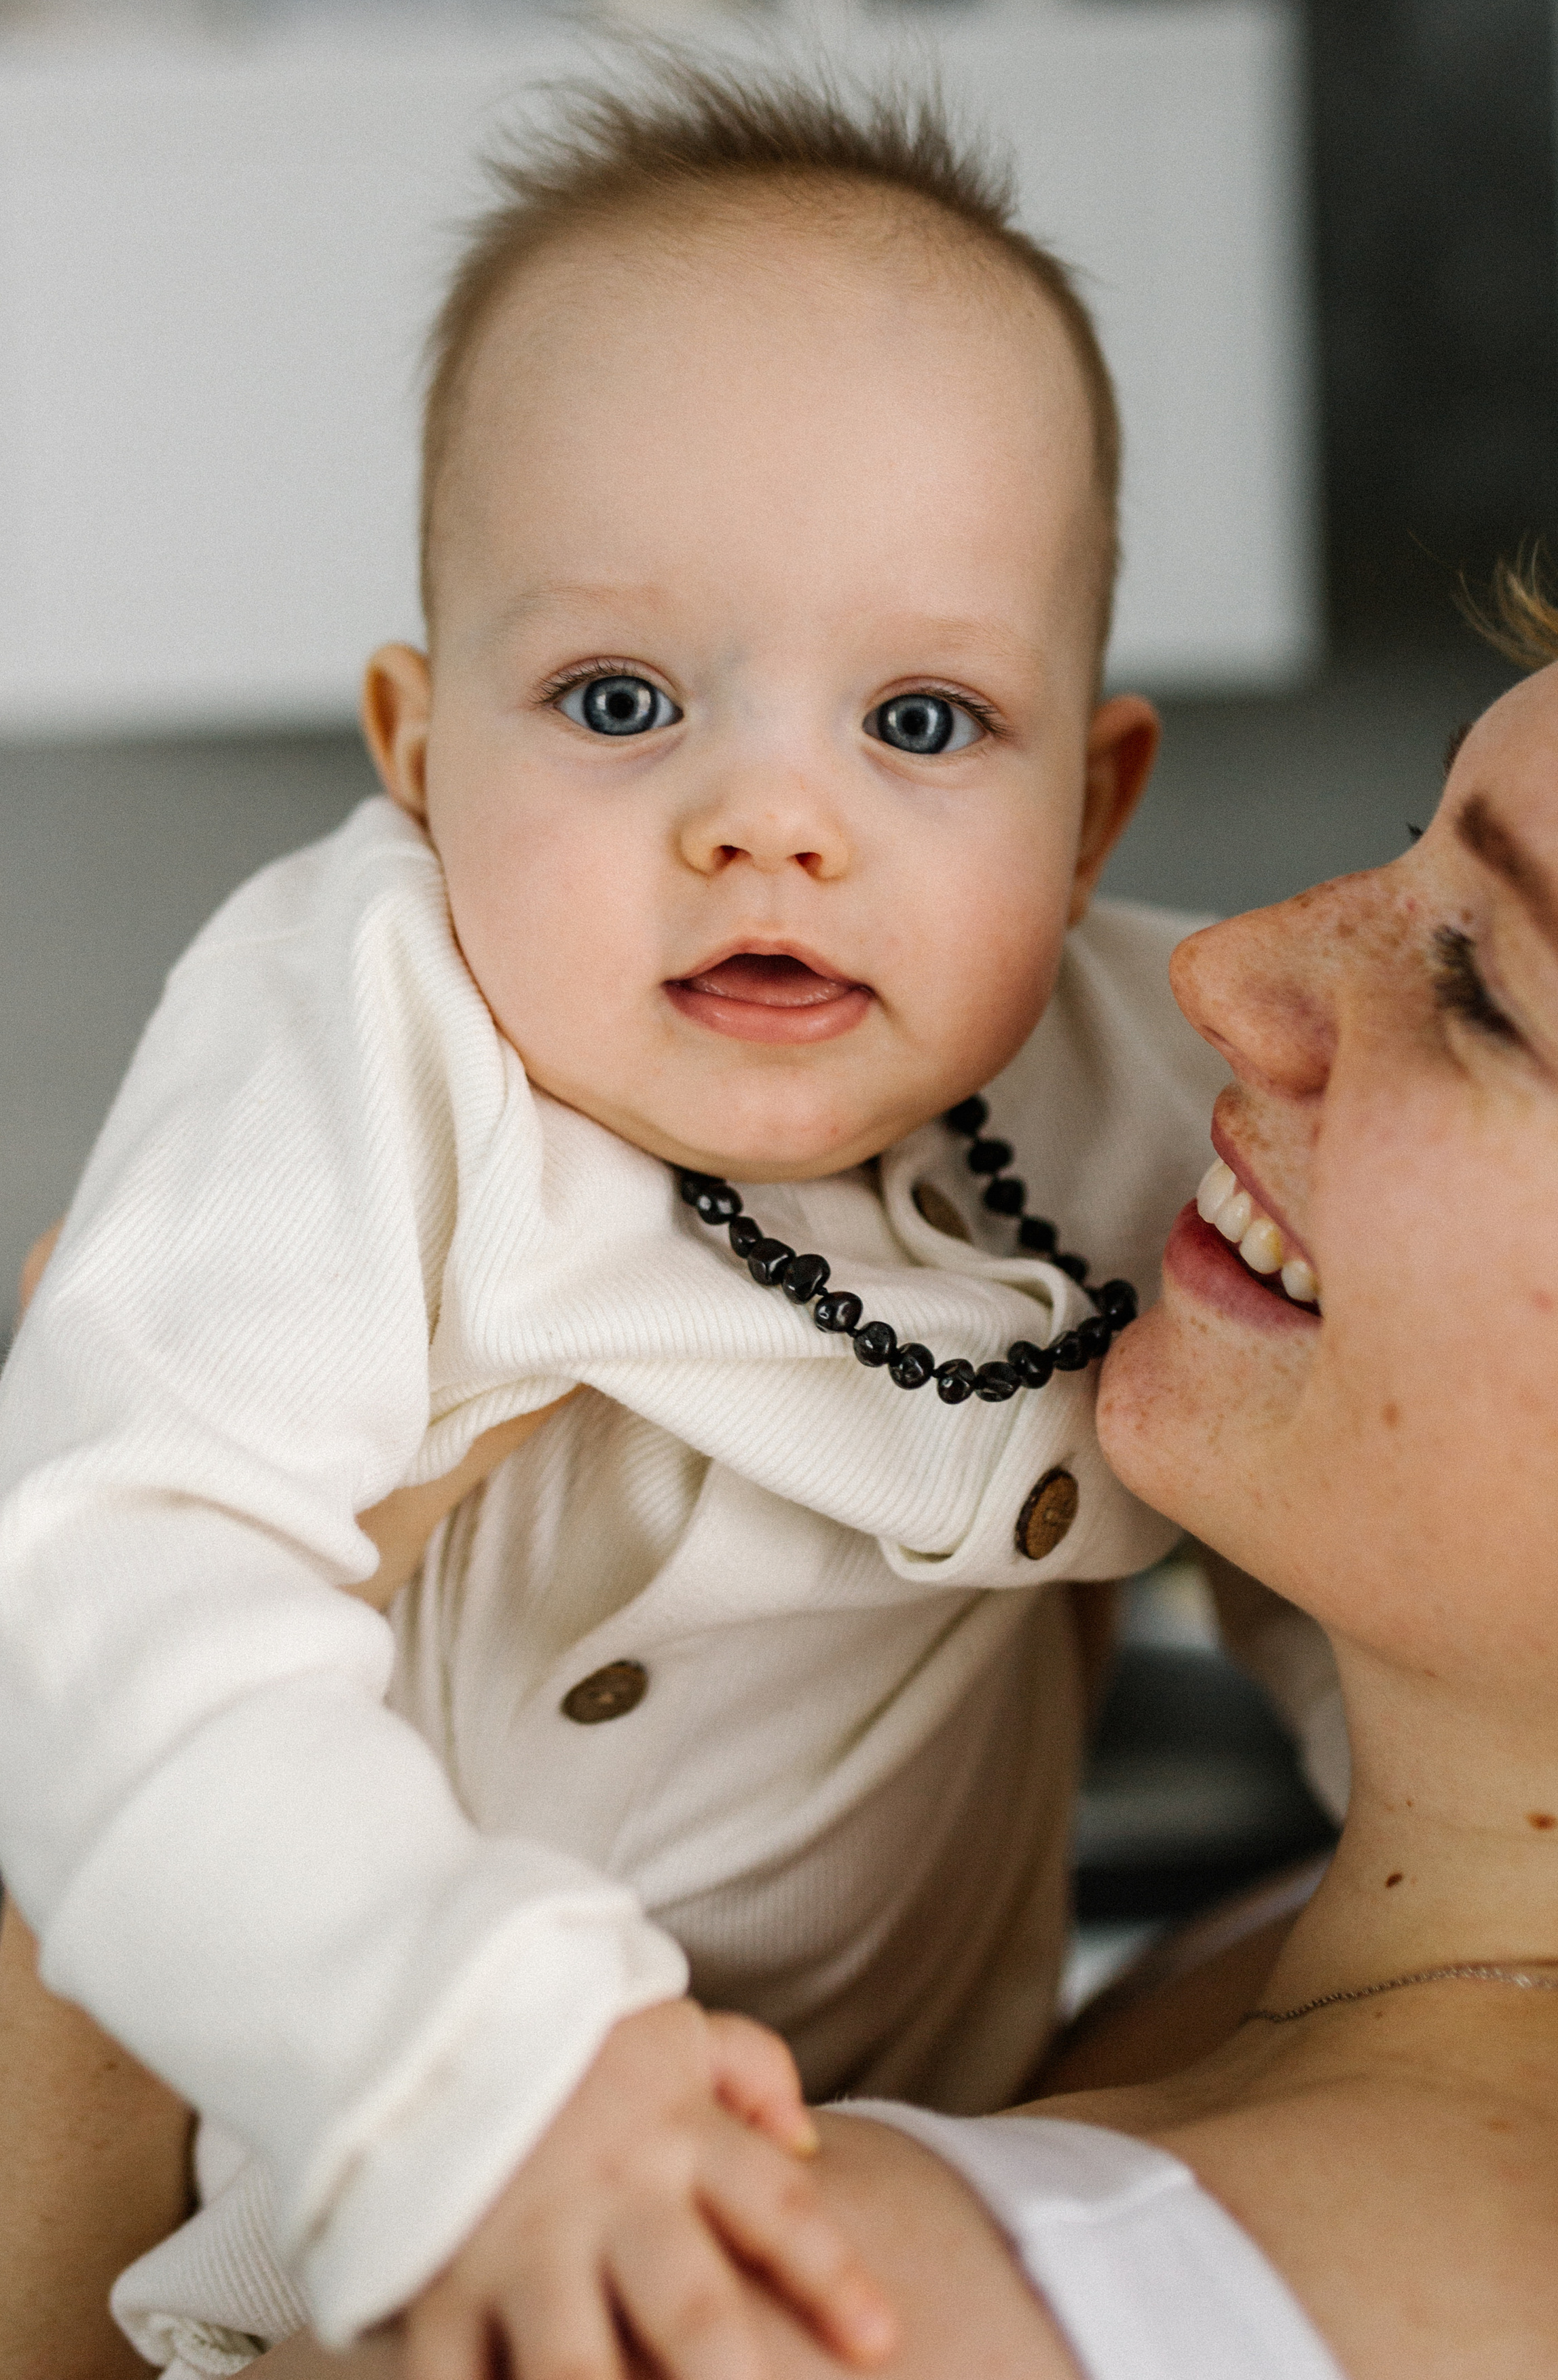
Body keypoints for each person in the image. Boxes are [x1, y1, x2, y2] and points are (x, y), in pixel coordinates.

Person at [247, 297, 1558, 2378]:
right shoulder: (1318, 1969)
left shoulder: (744, 2302)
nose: (1228, 969)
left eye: (1484, 985)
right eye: (1416, 836)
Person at [0, 54, 1269, 2380]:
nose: (768, 816)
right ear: (413, 750)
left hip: (900, 2140)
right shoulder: (368, 1027)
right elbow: (108, 1578)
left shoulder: (1130, 1069)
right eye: (617, 697)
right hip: (356, 2178)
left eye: (920, 722)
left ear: (1090, 811)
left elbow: (1363, 1491)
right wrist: (464, 2068)